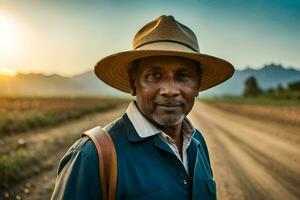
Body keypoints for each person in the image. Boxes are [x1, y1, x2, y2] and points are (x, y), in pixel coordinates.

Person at [51, 15, 234, 200]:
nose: (170, 91)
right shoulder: (91, 157)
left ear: (198, 85)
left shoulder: (197, 142)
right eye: (154, 75)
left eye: (183, 75)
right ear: (133, 82)